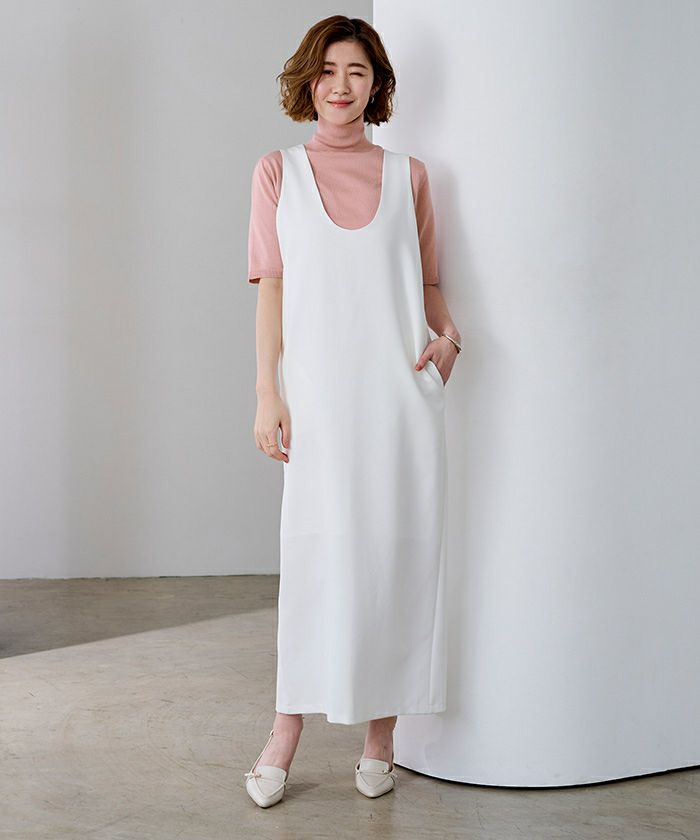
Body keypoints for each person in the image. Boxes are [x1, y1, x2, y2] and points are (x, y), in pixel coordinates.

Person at [244, 15, 461, 808]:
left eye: (358, 72)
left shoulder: (410, 176)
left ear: (377, 86)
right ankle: (285, 731)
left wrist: (451, 340)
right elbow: (272, 289)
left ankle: (381, 738)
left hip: (401, 401)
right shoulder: (277, 172)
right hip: (319, 403)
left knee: (396, 559)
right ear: (308, 81)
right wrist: (269, 393)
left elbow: (428, 282)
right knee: (315, 559)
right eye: (329, 70)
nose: (341, 86)